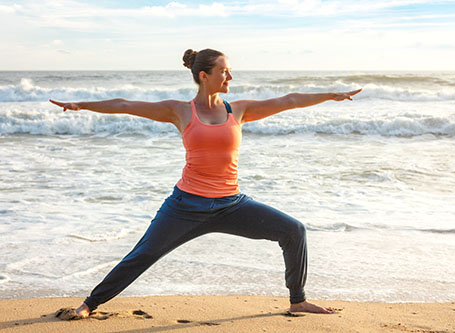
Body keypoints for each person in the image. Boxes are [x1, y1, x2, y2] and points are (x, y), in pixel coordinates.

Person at [50, 48, 362, 318]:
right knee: (143, 254)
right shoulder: (180, 111)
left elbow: (290, 99)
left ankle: (298, 301)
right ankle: (90, 304)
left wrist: (330, 95)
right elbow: (125, 105)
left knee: (293, 231)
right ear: (204, 75)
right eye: (224, 72)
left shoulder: (238, 110)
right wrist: (82, 104)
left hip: (232, 205)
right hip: (185, 206)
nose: (230, 77)